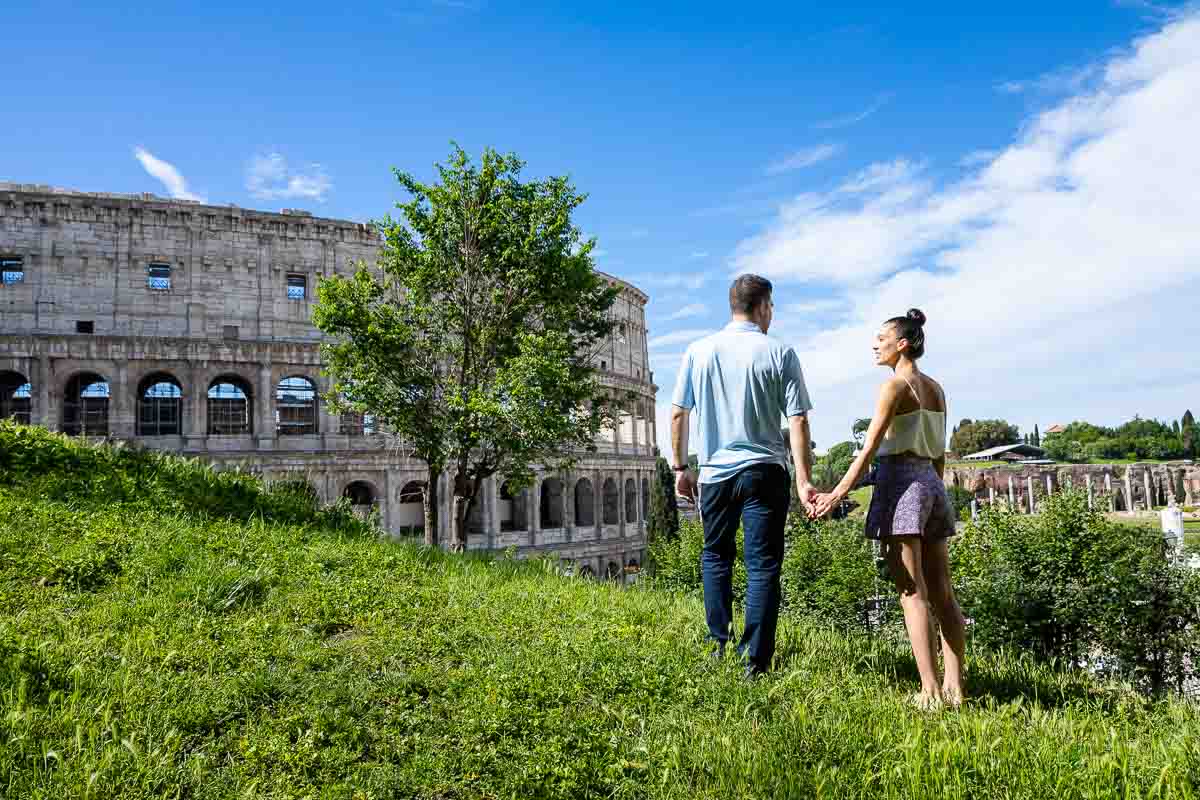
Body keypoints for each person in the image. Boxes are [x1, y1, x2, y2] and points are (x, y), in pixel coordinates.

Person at [811, 309, 966, 709]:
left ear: (902, 343)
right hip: (932, 484)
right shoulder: (936, 388)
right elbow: (939, 454)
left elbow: (868, 451)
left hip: (900, 482)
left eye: (881, 337)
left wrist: (835, 494)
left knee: (911, 592)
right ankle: (955, 688)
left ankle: (929, 692)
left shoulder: (894, 387)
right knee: (944, 593)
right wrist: (936, 492)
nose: (874, 344)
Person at [670, 274, 815, 677]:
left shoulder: (698, 351)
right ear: (763, 305)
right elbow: (798, 420)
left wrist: (681, 468)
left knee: (716, 557)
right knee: (763, 565)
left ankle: (717, 644)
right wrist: (803, 480)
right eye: (772, 308)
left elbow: (679, 412)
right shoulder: (780, 352)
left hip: (715, 474)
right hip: (765, 471)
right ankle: (754, 661)